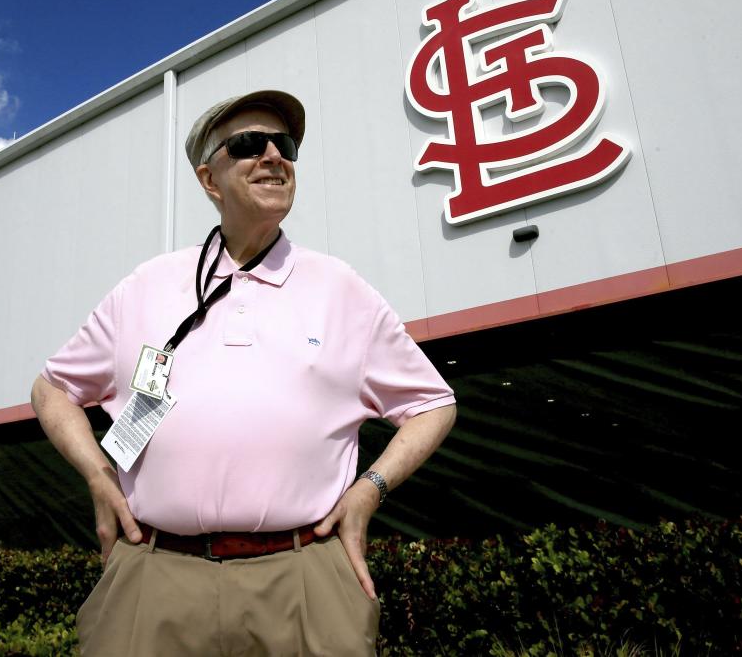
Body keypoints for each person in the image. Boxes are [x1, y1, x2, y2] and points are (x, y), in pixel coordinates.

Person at [31, 90, 457, 656]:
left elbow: (433, 404)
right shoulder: (147, 286)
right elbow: (53, 389)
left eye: (284, 145)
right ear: (210, 179)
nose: (273, 156)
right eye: (250, 145)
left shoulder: (341, 288)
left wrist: (368, 492)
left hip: (304, 577)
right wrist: (97, 475)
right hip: (153, 574)